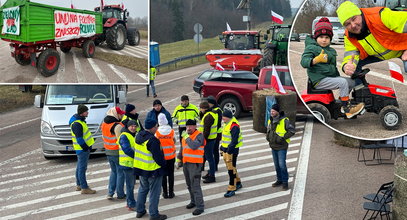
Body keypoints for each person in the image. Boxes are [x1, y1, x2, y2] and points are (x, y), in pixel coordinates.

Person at [301, 17, 365, 119]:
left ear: (330, 38)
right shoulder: (311, 48)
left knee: (351, 82)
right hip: (319, 80)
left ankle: (342, 103)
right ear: (316, 37)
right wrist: (315, 60)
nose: (324, 40)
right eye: (321, 37)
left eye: (327, 37)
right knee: (342, 83)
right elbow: (303, 62)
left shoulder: (330, 50)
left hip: (327, 78)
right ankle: (347, 109)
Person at [336, 1, 407, 75]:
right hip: (378, 56)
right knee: (353, 67)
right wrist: (346, 66)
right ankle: (359, 86)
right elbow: (350, 54)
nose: (353, 25)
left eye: (354, 19)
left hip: (402, 49)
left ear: (360, 13)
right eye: (347, 24)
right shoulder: (348, 36)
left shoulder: (379, 15)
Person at [134, 118, 167, 220]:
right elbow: (158, 158)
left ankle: (140, 211)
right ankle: (154, 214)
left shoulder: (138, 136)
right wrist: (164, 164)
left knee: (143, 189)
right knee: (154, 193)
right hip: (153, 170)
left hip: (141, 168)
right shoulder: (153, 140)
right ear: (152, 127)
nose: (157, 128)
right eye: (156, 126)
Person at [176, 119, 205, 216]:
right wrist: (179, 160)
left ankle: (200, 206)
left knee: (195, 185)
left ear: (195, 126)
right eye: (187, 126)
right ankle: (193, 201)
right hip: (186, 163)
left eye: (190, 126)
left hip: (195, 164)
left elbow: (194, 146)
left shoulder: (199, 135)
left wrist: (187, 137)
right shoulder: (185, 136)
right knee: (189, 184)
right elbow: (182, 149)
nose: (188, 128)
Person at [266, 104, 295, 190]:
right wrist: (268, 137)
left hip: (282, 146)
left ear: (277, 112)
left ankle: (285, 182)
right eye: (271, 111)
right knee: (277, 165)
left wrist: (282, 138)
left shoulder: (285, 120)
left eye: (273, 111)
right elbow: (268, 130)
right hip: (273, 146)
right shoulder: (270, 120)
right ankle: (279, 180)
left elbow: (292, 131)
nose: (271, 112)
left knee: (282, 165)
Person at [69, 104, 96, 194]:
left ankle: (79, 185)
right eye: (86, 111)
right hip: (82, 149)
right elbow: (79, 138)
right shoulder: (77, 124)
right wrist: (86, 147)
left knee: (79, 167)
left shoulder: (79, 121)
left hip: (80, 149)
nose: (87, 112)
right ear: (81, 113)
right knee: (82, 168)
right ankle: (84, 188)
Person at [101, 107, 126, 200]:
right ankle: (120, 194)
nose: (122, 115)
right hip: (116, 152)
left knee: (113, 172)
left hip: (108, 151)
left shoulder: (104, 124)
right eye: (120, 114)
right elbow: (121, 141)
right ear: (116, 114)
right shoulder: (117, 126)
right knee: (120, 173)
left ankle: (110, 193)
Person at [220, 110, 243, 198]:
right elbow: (225, 138)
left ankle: (231, 188)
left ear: (228, 117)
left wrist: (228, 151)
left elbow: (234, 141)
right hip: (227, 150)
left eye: (224, 117)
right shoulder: (227, 124)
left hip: (231, 151)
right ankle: (238, 182)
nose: (222, 118)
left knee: (231, 170)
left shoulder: (234, 126)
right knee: (232, 167)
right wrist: (222, 148)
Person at [118, 120, 138, 211]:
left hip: (132, 164)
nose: (133, 128)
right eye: (131, 126)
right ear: (128, 127)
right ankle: (131, 203)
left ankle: (130, 202)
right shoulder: (124, 136)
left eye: (135, 126)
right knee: (130, 185)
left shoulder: (132, 135)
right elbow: (127, 150)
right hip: (127, 164)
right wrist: (137, 157)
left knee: (131, 184)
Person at [155, 113, 176, 199]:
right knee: (171, 174)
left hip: (162, 157)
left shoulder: (157, 132)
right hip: (171, 156)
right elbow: (175, 140)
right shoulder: (171, 131)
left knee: (163, 175)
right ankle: (171, 192)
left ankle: (165, 193)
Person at [198, 101, 218, 183]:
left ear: (204, 108)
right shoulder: (213, 113)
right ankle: (210, 173)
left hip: (208, 140)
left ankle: (212, 176)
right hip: (212, 138)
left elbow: (206, 131)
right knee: (210, 158)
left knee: (210, 158)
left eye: (200, 108)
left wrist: (202, 140)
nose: (200, 110)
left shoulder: (208, 116)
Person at [207, 96, 222, 172]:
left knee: (215, 150)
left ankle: (215, 166)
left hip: (217, 133)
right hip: (213, 133)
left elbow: (218, 122)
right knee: (212, 150)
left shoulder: (217, 110)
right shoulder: (211, 109)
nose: (207, 104)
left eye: (208, 103)